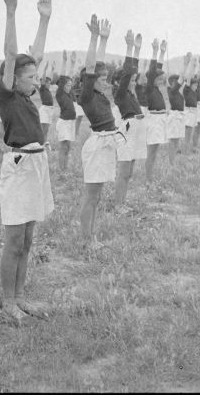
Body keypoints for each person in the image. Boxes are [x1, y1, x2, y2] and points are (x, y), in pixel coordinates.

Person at [0, 0, 54, 324]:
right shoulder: (6, 95)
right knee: (14, 238)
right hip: (18, 165)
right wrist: (12, 12)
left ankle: (20, 296)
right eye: (30, 76)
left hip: (37, 164)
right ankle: (7, 300)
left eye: (36, 75)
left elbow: (39, 55)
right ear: (14, 78)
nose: (36, 80)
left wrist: (45, 20)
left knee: (29, 238)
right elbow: (10, 54)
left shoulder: (29, 98)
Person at [79, 15, 121, 247]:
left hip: (107, 143)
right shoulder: (86, 96)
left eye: (106, 78)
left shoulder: (101, 94)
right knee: (91, 195)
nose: (105, 81)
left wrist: (104, 41)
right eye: (101, 78)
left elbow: (98, 65)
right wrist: (94, 38)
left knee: (97, 196)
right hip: (97, 144)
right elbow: (92, 67)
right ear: (91, 80)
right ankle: (87, 239)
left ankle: (91, 236)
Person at [113, 31, 145, 211]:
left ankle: (122, 203)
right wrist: (129, 48)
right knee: (124, 171)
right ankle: (118, 205)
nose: (133, 82)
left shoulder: (131, 93)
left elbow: (132, 72)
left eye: (134, 80)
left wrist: (138, 51)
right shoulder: (120, 93)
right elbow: (127, 73)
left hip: (135, 130)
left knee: (129, 172)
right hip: (126, 131)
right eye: (130, 80)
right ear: (119, 82)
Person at [144, 39, 168, 183]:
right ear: (152, 78)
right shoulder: (149, 88)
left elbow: (157, 68)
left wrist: (162, 52)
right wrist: (154, 51)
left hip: (160, 121)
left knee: (155, 152)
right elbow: (153, 69)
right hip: (153, 121)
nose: (160, 80)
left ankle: (150, 178)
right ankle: (148, 179)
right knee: (151, 152)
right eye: (158, 78)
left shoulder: (156, 87)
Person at [166, 54, 190, 165]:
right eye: (175, 81)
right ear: (171, 83)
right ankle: (171, 163)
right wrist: (185, 64)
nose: (177, 82)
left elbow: (183, 80)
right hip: (175, 116)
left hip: (180, 116)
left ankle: (173, 161)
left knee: (176, 141)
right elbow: (181, 80)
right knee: (173, 141)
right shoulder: (172, 91)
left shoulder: (176, 92)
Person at [55, 50, 77, 171]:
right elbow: (63, 77)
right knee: (63, 147)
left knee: (68, 147)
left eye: (70, 85)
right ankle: (61, 170)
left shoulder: (69, 94)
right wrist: (64, 61)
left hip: (70, 123)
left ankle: (65, 168)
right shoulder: (60, 94)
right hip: (64, 123)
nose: (69, 86)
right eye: (67, 85)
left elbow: (70, 76)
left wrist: (73, 63)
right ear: (62, 86)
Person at [182, 58, 199, 154]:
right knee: (187, 132)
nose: (196, 87)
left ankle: (186, 149)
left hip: (193, 112)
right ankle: (185, 150)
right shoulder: (187, 90)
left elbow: (193, 77)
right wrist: (191, 64)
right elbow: (189, 77)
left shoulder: (194, 91)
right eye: (194, 85)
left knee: (190, 132)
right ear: (190, 84)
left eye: (197, 85)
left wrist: (195, 66)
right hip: (188, 112)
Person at [38, 61, 54, 140]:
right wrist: (45, 69)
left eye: (50, 83)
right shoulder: (42, 88)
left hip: (50, 110)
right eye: (48, 83)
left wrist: (52, 69)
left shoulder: (48, 90)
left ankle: (44, 143)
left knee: (46, 129)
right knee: (43, 129)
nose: (49, 84)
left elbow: (50, 78)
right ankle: (40, 143)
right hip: (44, 109)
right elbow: (44, 79)